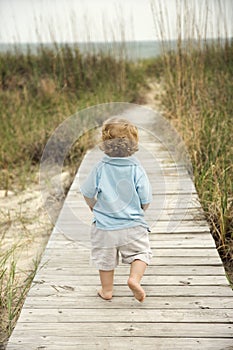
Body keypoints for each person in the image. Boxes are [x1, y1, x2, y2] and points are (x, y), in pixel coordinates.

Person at [80, 117, 152, 302]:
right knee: (141, 254)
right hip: (133, 226)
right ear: (133, 143)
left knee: (105, 260)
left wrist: (93, 206)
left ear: (105, 143)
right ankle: (134, 279)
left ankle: (107, 290)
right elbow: (146, 197)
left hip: (105, 226)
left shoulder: (100, 167)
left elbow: (87, 191)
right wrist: (141, 210)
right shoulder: (136, 168)